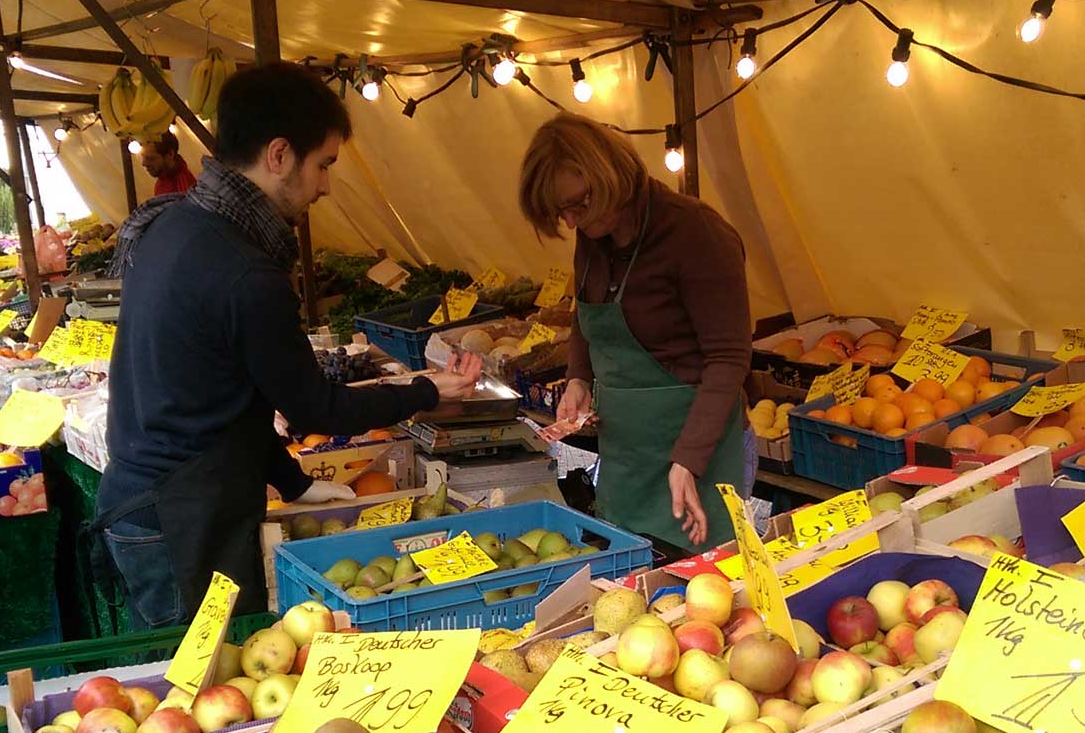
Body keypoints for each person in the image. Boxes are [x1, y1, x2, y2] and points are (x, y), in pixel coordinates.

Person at [95, 62, 483, 628]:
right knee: (204, 679)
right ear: (279, 155)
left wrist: (294, 481)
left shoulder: (176, 226)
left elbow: (228, 396)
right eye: (323, 164)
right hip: (184, 518)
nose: (326, 185)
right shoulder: (244, 271)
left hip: (154, 498)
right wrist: (421, 389)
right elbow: (315, 408)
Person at [521, 115, 753, 554]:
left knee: (703, 592)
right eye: (560, 213)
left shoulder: (697, 233)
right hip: (626, 459)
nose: (570, 222)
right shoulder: (594, 233)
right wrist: (578, 377)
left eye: (578, 205)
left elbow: (729, 359)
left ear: (607, 176)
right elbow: (585, 315)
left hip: (696, 457)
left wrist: (688, 460)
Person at [141, 131, 197, 196]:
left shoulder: (183, 187)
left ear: (170, 154)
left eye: (151, 158)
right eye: (143, 157)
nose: (144, 163)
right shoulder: (163, 179)